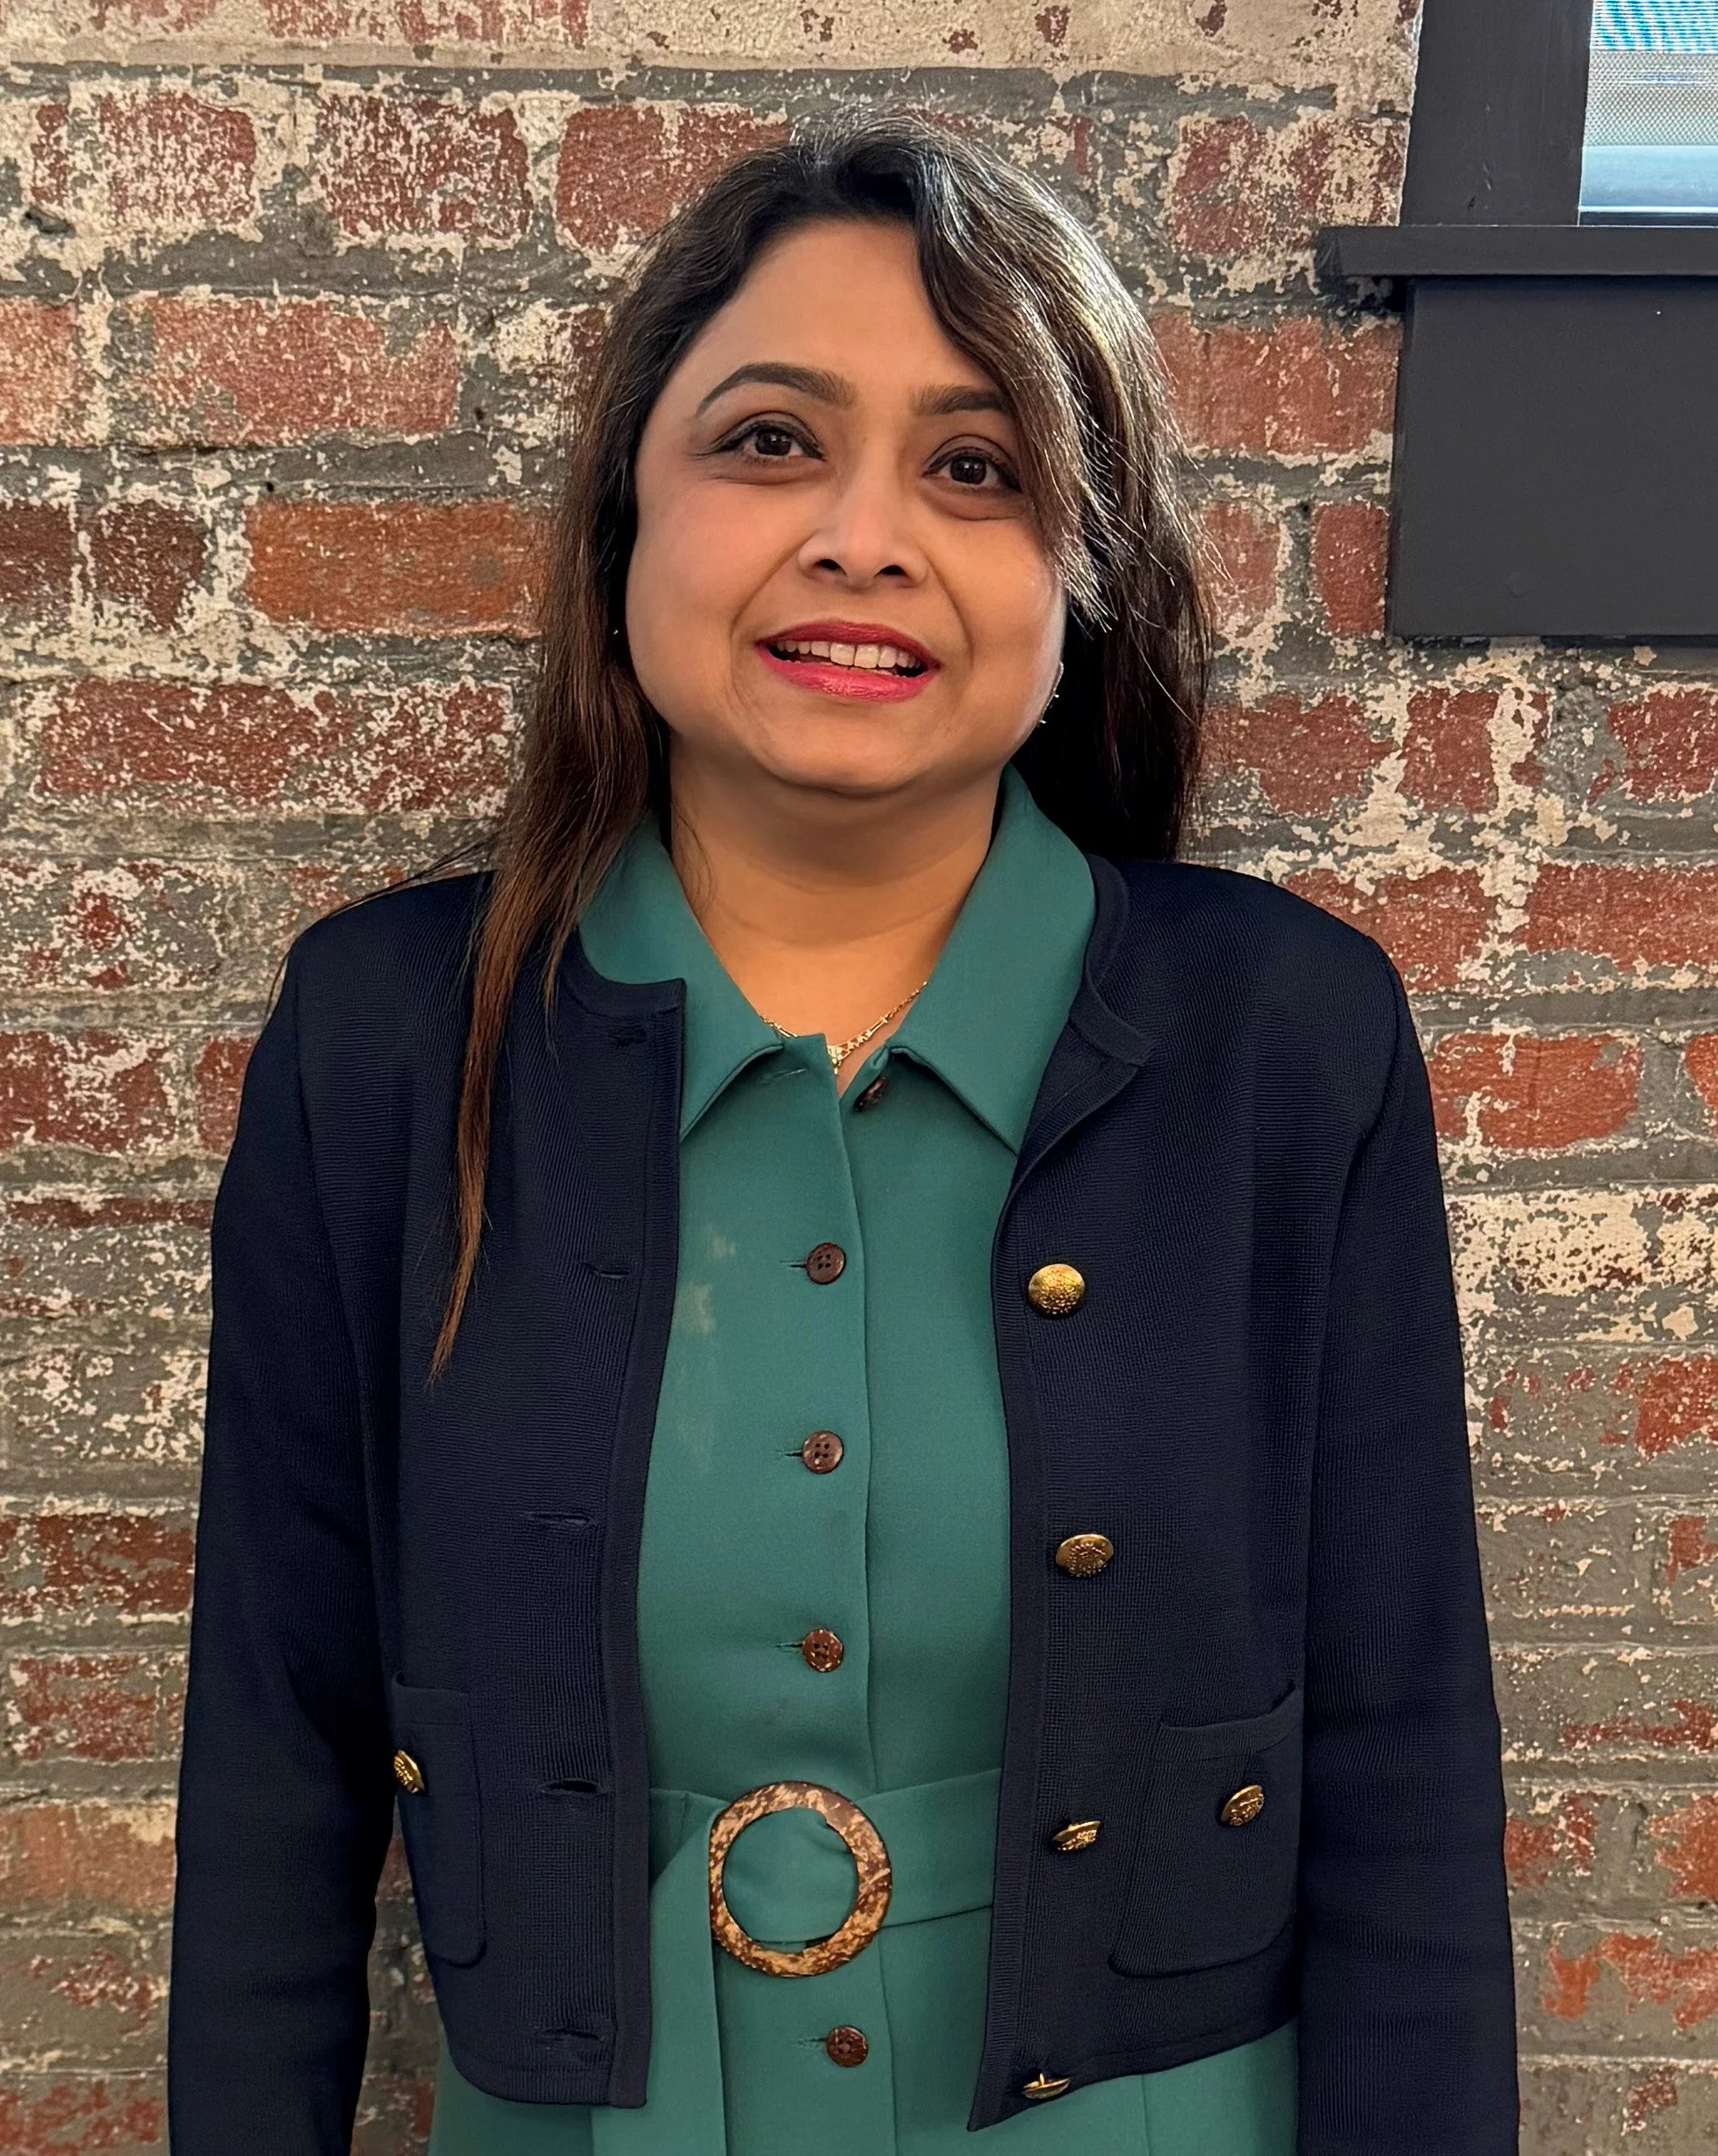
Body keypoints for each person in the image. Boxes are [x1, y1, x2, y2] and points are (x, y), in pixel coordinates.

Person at [166, 115, 1518, 2156]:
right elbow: (276, 1761)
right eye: (771, 441)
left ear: (1085, 571)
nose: (863, 535)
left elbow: (1406, 1775)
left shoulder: (1285, 1042)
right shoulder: (380, 1043)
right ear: (631, 501)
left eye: (976, 469)